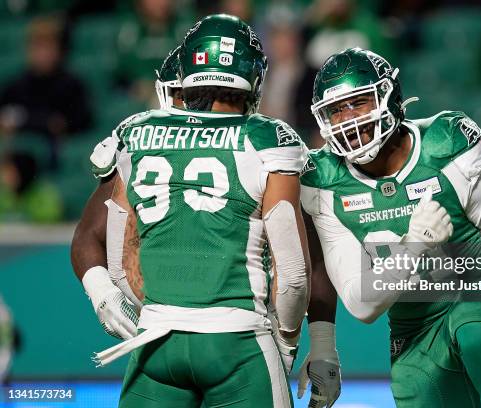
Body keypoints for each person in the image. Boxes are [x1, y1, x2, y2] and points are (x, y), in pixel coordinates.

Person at [80, 15, 311, 407]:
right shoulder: (268, 138)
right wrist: (285, 343)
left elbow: (119, 261)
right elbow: (292, 276)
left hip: (156, 344)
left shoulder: (137, 132)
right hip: (237, 343)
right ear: (251, 74)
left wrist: (161, 313)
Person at [300, 47, 481, 408]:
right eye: (336, 110)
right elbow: (361, 304)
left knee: (476, 332)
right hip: (412, 326)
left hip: (480, 286)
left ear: (389, 98)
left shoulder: (444, 147)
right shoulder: (325, 182)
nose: (349, 119)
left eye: (359, 103)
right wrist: (413, 245)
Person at [71, 46, 186, 342]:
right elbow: (88, 234)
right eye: (183, 94)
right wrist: (103, 292)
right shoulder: (140, 141)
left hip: (233, 324)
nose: (195, 106)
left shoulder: (260, 146)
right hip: (159, 321)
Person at [0, 16, 92, 169]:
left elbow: (79, 121)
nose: (42, 53)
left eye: (47, 46)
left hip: (56, 160)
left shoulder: (72, 85)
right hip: (17, 162)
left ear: (58, 49)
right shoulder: (14, 87)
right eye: (37, 46)